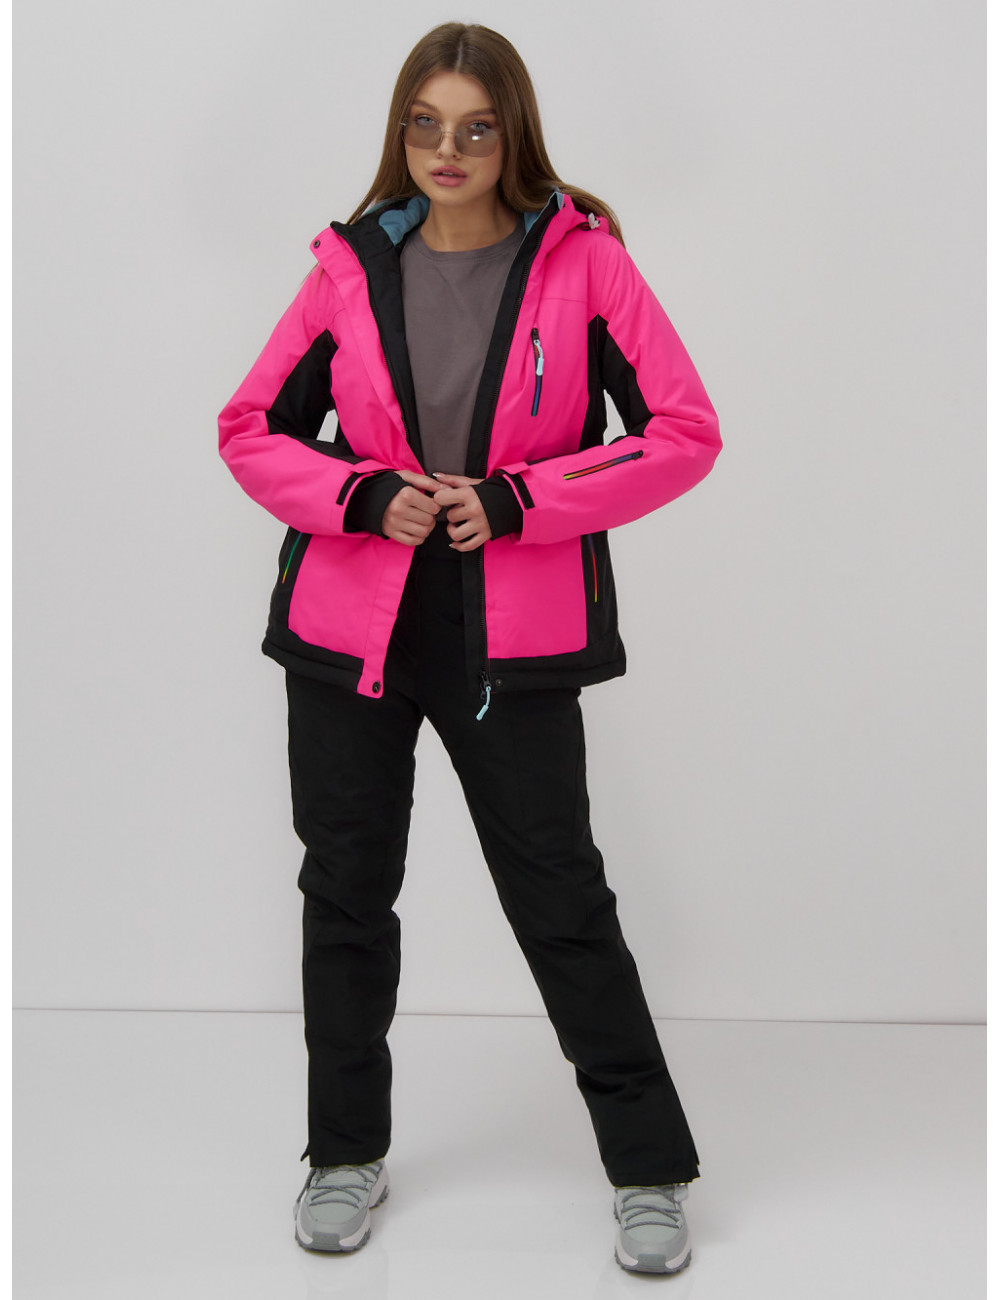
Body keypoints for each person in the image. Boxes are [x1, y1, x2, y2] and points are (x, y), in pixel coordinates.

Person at [218, 20, 721, 1276]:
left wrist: (517, 500)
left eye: (476, 128)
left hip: (513, 636)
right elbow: (249, 426)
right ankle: (344, 1153)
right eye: (425, 125)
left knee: (561, 896)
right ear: (402, 133)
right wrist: (354, 493)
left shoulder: (584, 263)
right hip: (350, 628)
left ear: (513, 136)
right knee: (345, 893)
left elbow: (682, 430)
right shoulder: (346, 268)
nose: (448, 150)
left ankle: (648, 1169)